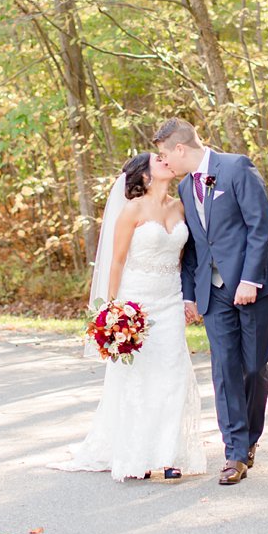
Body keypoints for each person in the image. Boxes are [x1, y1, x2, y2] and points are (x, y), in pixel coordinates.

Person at [47, 152, 208, 481]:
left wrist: (189, 297)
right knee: (140, 378)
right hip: (137, 301)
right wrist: (112, 310)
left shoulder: (179, 207)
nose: (165, 161)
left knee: (174, 373)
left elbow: (186, 257)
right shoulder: (131, 210)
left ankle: (170, 454)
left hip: (170, 297)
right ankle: (140, 456)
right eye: (158, 159)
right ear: (144, 174)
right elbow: (116, 261)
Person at [153, 118, 268, 486]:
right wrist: (190, 294)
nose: (165, 161)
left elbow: (260, 226)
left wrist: (249, 279)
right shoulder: (184, 186)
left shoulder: (236, 167)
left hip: (252, 285)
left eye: (166, 153)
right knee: (224, 368)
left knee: (254, 367)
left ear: (180, 148)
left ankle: (250, 437)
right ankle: (234, 453)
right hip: (213, 292)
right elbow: (195, 245)